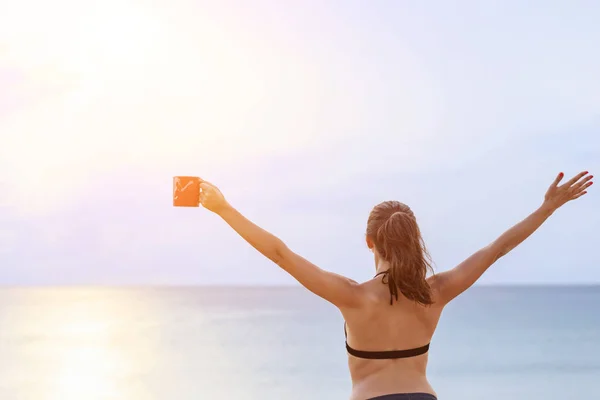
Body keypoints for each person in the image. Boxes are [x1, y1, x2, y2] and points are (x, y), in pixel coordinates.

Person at [197, 171, 593, 400]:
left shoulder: (351, 296)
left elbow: (281, 254)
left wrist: (223, 209)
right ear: (412, 239)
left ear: (369, 241)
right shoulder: (435, 292)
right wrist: (547, 208)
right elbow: (497, 249)